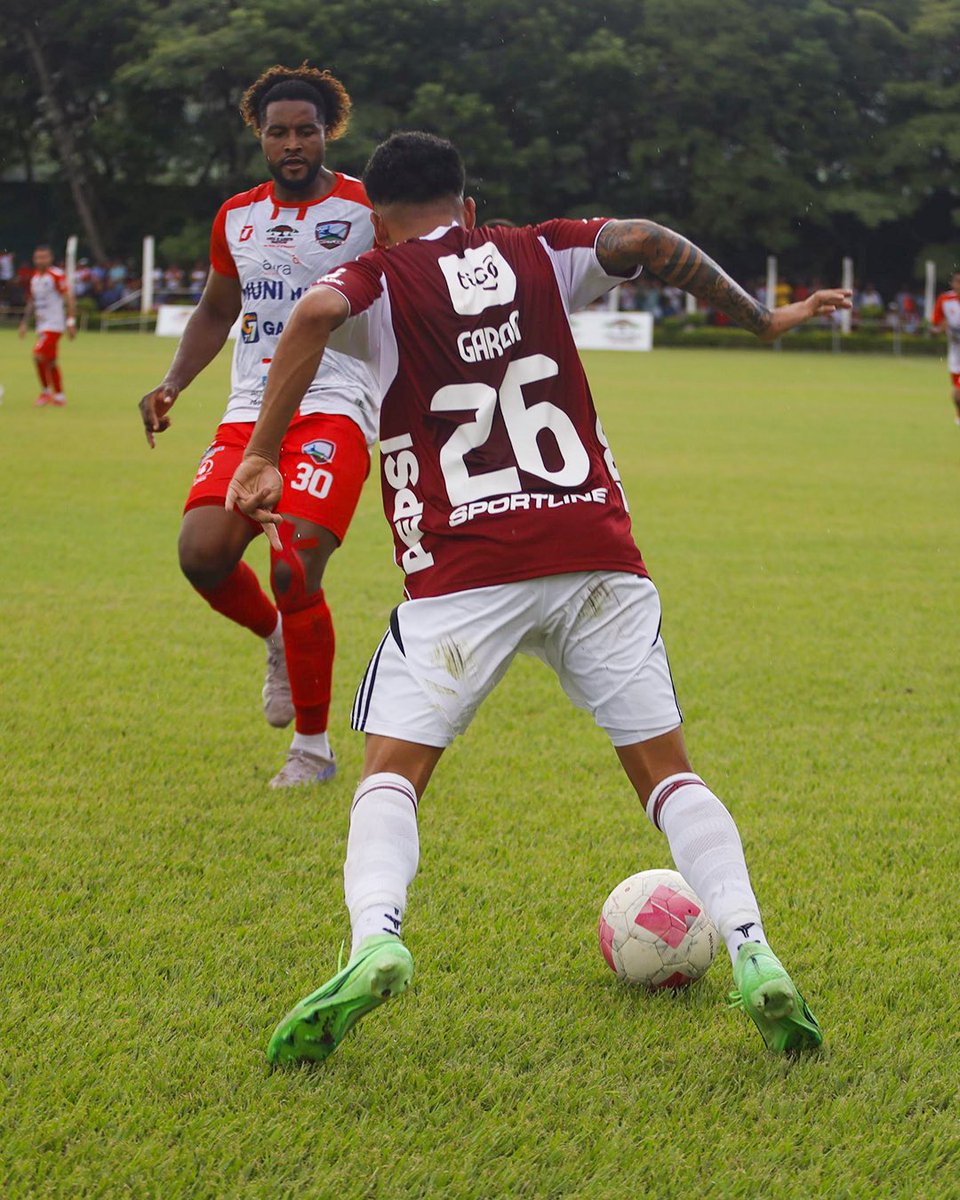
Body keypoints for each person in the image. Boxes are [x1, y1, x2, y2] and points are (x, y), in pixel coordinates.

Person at [227, 132, 851, 1064]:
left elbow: (314, 310)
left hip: (462, 572)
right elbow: (642, 237)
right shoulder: (540, 249)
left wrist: (262, 451)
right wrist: (760, 320)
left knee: (391, 775)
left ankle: (376, 940)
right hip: (593, 553)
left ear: (375, 222)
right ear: (468, 206)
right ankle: (754, 948)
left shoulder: (378, 280)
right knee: (669, 776)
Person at [138, 64, 378, 787]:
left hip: (335, 406)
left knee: (292, 561)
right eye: (279, 132)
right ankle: (278, 637)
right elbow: (217, 309)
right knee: (202, 554)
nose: (294, 143)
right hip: (249, 410)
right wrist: (174, 381)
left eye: (307, 130)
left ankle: (312, 748)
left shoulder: (370, 209)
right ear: (260, 136)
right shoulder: (236, 217)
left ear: (328, 131)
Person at [18, 245, 76, 407]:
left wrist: (71, 321)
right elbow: (32, 302)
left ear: (50, 258)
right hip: (42, 325)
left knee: (38, 355)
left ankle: (45, 392)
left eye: (44, 257)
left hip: (55, 324)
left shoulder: (56, 275)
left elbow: (68, 297)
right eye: (38, 257)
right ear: (34, 259)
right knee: (50, 362)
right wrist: (24, 323)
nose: (41, 260)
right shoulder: (35, 278)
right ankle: (59, 396)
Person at [930, 272, 960, 426]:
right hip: (956, 355)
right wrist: (940, 329)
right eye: (957, 282)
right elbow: (933, 329)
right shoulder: (945, 300)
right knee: (957, 395)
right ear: (953, 284)